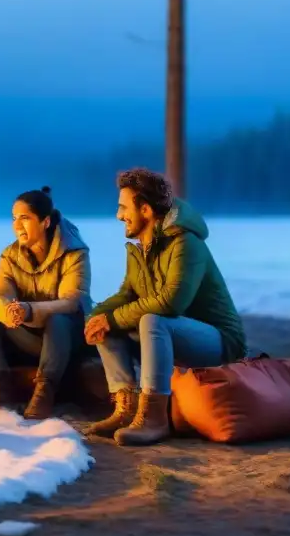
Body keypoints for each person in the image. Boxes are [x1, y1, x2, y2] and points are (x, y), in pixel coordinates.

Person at [84, 168, 247, 446]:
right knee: (106, 320)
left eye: (123, 207)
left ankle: (154, 417)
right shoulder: (141, 246)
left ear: (145, 210)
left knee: (151, 319)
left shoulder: (186, 243)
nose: (118, 215)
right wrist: (96, 316)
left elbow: (171, 302)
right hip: (169, 335)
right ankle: (126, 408)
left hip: (218, 341)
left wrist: (111, 319)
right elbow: (127, 294)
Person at [0, 187, 91, 421]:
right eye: (14, 219)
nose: (17, 225)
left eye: (24, 218)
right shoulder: (10, 256)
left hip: (64, 339)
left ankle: (45, 391)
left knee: (58, 319)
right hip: (29, 336)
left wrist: (29, 310)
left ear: (45, 222)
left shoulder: (73, 252)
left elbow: (72, 301)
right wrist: (7, 311)